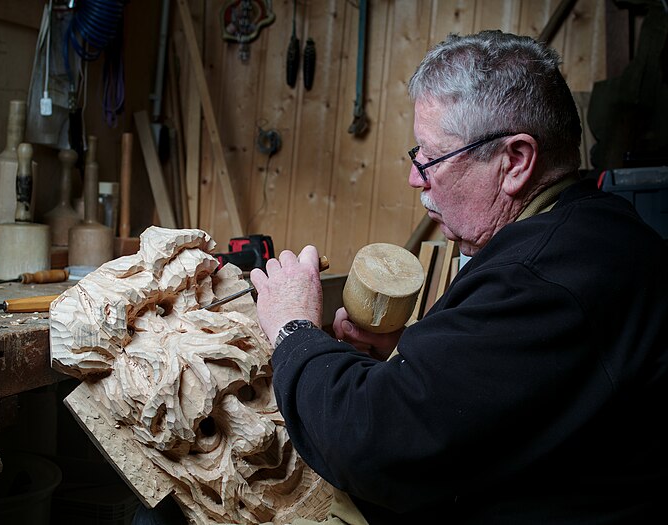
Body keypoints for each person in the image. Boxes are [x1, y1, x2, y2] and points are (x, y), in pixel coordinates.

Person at [250, 30, 668, 524]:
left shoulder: (542, 280)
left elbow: (374, 445)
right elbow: (509, 383)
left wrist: (293, 328)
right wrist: (411, 360)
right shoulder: (595, 226)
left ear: (514, 162)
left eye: (432, 157)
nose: (415, 177)